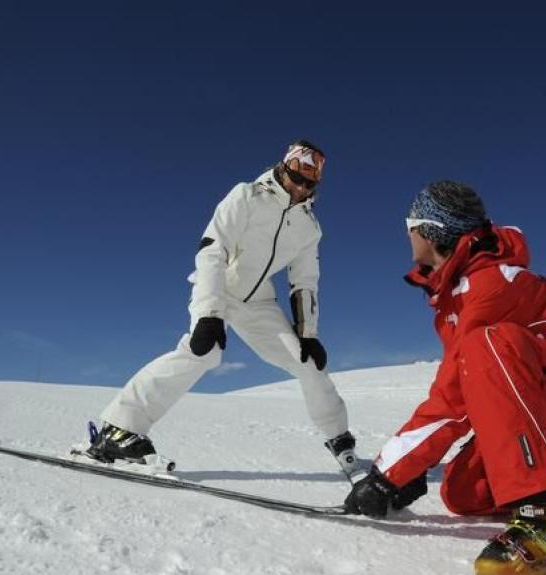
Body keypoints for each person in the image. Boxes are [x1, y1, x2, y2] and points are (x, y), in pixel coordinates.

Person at [344, 180, 546, 575]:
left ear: (430, 231)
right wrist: (409, 469)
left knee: (488, 344)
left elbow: (453, 398)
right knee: (465, 492)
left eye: (410, 225)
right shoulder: (458, 293)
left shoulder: (490, 285)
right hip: (540, 388)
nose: (406, 233)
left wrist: (388, 474)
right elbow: (468, 391)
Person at [84, 140, 362, 478]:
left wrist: (309, 333)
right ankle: (119, 429)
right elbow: (212, 250)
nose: (302, 186)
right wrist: (208, 313)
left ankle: (341, 442)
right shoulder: (247, 195)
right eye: (298, 175)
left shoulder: (309, 227)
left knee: (308, 362)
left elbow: (304, 281)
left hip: (259, 301)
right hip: (220, 286)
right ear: (285, 166)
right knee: (204, 351)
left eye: (311, 180)